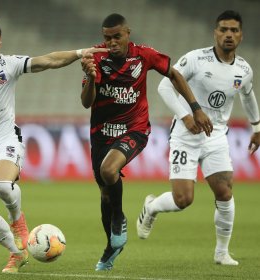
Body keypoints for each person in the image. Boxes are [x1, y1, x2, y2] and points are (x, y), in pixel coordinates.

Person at [0, 19, 107, 273]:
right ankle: (16, 252)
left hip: (6, 139)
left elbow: (48, 60)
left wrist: (78, 54)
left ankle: (17, 220)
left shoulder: (8, 65)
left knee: (2, 185)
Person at [80, 13, 213, 271]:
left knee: (109, 171)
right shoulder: (94, 58)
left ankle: (119, 219)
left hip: (135, 129)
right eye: (107, 38)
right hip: (101, 133)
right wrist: (91, 77)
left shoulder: (144, 55)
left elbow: (174, 75)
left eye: (116, 36)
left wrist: (195, 107)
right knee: (106, 193)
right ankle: (111, 247)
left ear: (128, 33)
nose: (111, 42)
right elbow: (86, 101)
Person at [137, 10, 260, 266]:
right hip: (186, 135)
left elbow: (248, 95)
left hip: (216, 136)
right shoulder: (196, 59)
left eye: (234, 30)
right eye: (223, 29)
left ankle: (221, 253)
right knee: (184, 200)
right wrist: (186, 116)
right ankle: (151, 208)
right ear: (215, 32)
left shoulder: (244, 69)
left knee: (224, 191)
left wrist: (256, 126)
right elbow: (164, 86)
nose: (228, 34)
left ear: (241, 35)